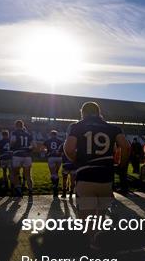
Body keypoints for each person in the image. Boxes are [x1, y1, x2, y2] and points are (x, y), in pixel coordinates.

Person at [63, 101, 129, 247]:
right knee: (101, 213)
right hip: (106, 177)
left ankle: (90, 244)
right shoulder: (113, 128)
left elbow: (68, 148)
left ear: (83, 113)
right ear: (98, 112)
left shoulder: (76, 126)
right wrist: (121, 165)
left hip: (86, 176)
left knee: (86, 216)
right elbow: (125, 146)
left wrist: (78, 160)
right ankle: (98, 240)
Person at [10, 120, 34, 198]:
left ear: (16, 125)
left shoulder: (14, 132)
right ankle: (30, 191)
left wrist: (12, 147)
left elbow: (12, 142)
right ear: (22, 125)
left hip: (17, 155)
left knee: (15, 173)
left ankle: (18, 189)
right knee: (28, 175)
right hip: (27, 156)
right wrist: (28, 148)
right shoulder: (28, 134)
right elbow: (34, 145)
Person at [43, 130, 63, 198]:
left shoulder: (47, 141)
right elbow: (62, 149)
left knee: (53, 173)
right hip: (59, 158)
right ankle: (56, 186)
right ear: (56, 135)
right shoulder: (60, 141)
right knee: (56, 172)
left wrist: (46, 152)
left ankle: (54, 186)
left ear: (51, 134)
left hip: (51, 157)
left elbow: (44, 149)